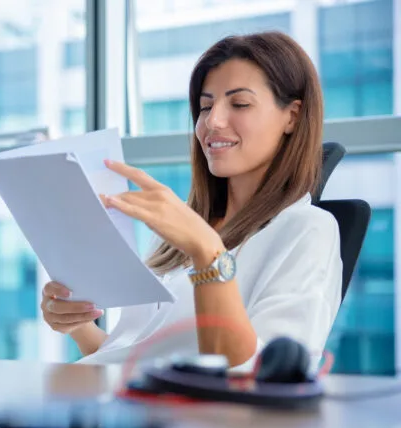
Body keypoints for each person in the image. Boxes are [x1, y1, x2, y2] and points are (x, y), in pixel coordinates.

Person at [41, 31, 342, 370]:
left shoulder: (308, 230)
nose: (212, 121)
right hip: (129, 406)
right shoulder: (181, 234)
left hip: (198, 420)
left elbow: (262, 375)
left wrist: (207, 253)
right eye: (205, 106)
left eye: (240, 104)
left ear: (293, 116)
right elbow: (135, 361)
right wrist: (80, 326)